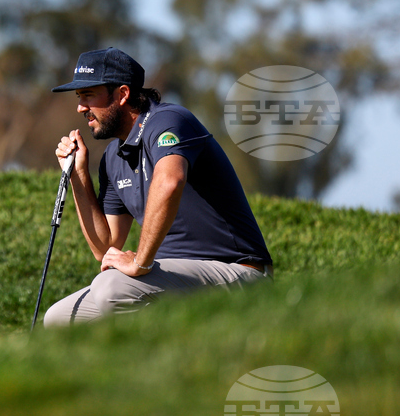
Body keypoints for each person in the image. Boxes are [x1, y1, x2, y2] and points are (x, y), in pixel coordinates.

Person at [42, 47, 273, 327]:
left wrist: (140, 261)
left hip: (237, 271)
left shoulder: (169, 120)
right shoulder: (113, 157)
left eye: (88, 95)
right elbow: (106, 248)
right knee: (60, 320)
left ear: (123, 94)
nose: (80, 107)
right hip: (175, 277)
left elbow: (170, 181)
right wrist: (79, 175)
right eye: (79, 98)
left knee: (111, 288)